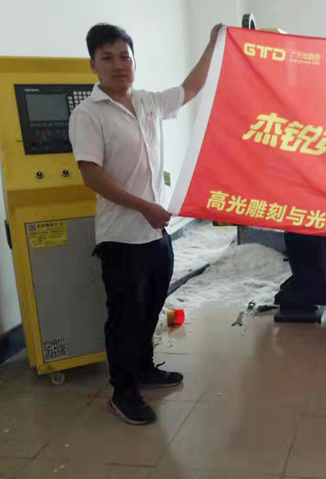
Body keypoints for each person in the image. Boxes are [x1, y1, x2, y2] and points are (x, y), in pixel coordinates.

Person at [70, 22, 222, 425]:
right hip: (121, 238)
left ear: (134, 62)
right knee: (124, 318)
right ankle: (123, 393)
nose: (118, 65)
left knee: (151, 307)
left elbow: (190, 88)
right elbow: (92, 175)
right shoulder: (88, 115)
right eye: (107, 58)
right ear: (93, 65)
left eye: (125, 56)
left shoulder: (149, 102)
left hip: (156, 233)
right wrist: (144, 207)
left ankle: (143, 369)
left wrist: (213, 45)